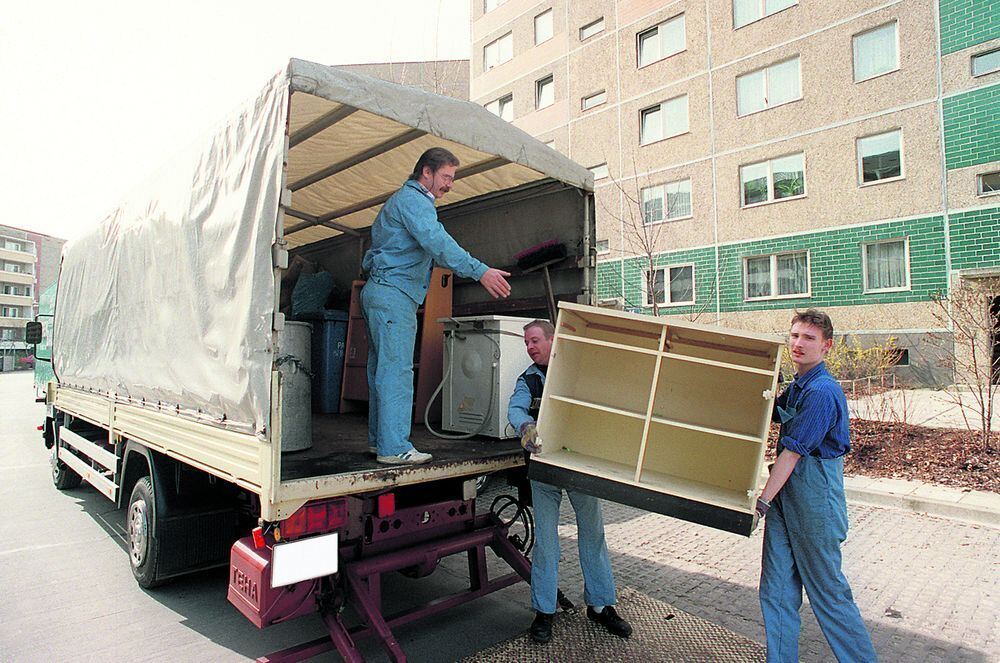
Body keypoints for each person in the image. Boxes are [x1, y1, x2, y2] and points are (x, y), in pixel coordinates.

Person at [362, 147, 511, 465]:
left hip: (380, 292)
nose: (450, 185)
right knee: (397, 372)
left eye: (452, 178)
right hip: (394, 295)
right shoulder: (415, 201)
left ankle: (380, 441)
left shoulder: (400, 201)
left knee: (381, 370)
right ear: (426, 172)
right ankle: (394, 448)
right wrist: (480, 271)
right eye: (446, 177)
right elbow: (438, 243)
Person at [756, 309, 878, 663]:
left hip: (815, 500)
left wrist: (762, 502)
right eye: (795, 335)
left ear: (826, 346)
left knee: (828, 595)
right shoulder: (798, 386)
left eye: (809, 338)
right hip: (785, 496)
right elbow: (770, 413)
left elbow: (793, 453)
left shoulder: (823, 392)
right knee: (776, 590)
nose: (799, 343)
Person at [508, 319, 632, 644]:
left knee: (593, 535)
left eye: (535, 340)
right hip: (544, 469)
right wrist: (525, 427)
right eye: (526, 342)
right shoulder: (528, 380)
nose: (530, 347)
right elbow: (515, 409)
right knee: (547, 542)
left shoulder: (577, 371)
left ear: (553, 339)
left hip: (579, 466)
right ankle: (544, 611)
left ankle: (601, 606)